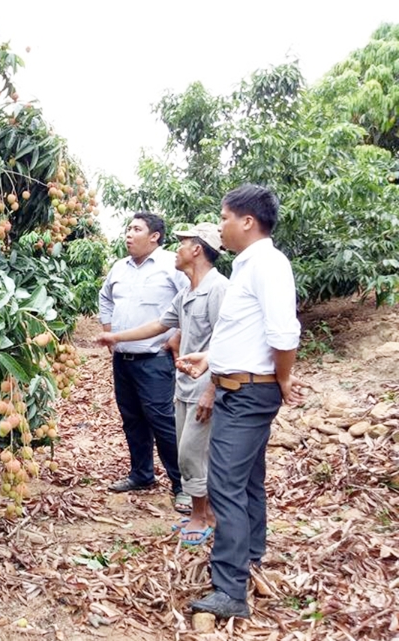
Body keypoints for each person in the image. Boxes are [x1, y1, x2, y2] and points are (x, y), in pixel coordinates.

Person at [177, 185, 304, 619]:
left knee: (224, 485)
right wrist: (211, 360)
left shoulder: (267, 264)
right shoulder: (249, 266)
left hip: (250, 392)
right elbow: (242, 333)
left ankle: (230, 590)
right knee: (246, 478)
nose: (220, 226)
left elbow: (284, 334)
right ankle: (250, 553)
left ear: (247, 221)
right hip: (236, 387)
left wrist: (283, 378)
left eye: (224, 217)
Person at [96, 222, 228, 544]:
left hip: (202, 380)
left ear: (196, 249)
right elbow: (158, 324)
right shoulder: (188, 292)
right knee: (184, 446)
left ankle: (200, 510)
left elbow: (228, 341)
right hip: (184, 380)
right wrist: (115, 335)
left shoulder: (218, 289)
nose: (177, 249)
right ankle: (200, 512)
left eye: (183, 244)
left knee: (190, 448)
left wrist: (213, 388)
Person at [98, 212, 190, 511]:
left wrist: (177, 334)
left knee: (162, 421)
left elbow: (189, 299)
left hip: (155, 358)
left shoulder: (171, 265)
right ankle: (142, 474)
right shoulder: (119, 268)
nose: (128, 234)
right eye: (128, 228)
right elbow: (105, 297)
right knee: (132, 419)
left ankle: (183, 485)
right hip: (123, 359)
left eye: (136, 229)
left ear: (155, 236)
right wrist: (109, 329)